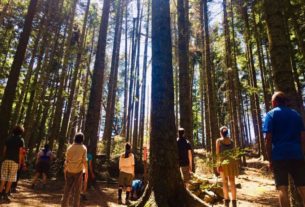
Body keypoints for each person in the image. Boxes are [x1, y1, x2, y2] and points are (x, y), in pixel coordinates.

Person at [263, 91, 305, 207]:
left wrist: (270, 159)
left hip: (279, 155)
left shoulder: (270, 115)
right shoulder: (296, 115)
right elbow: (302, 137)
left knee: (282, 188)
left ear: (274, 102)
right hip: (297, 154)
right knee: (303, 187)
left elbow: (268, 139)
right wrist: (302, 154)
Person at [61, 132, 88, 207]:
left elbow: (66, 160)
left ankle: (63, 205)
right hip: (78, 171)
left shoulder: (70, 147)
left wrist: (65, 169)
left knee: (67, 189)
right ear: (82, 139)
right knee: (77, 191)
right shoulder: (83, 148)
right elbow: (84, 161)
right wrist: (86, 171)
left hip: (69, 170)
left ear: (75, 138)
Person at [0, 125, 25, 202]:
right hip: (15, 161)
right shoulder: (21, 140)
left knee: (3, 178)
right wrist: (20, 163)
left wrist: (4, 158)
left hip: (6, 160)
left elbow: (4, 150)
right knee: (10, 178)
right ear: (21, 131)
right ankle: (6, 195)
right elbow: (21, 153)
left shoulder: (8, 139)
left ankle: (0, 193)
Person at [216, 126, 239, 207]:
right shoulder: (232, 141)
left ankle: (226, 201)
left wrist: (218, 164)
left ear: (221, 133)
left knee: (224, 182)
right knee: (232, 182)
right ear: (227, 132)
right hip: (231, 162)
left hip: (223, 163)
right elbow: (234, 153)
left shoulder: (218, 141)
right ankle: (234, 202)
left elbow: (218, 154)